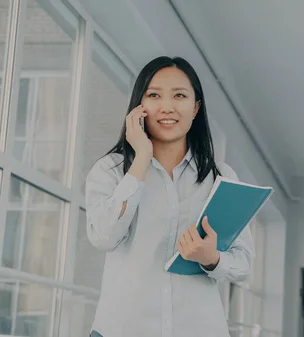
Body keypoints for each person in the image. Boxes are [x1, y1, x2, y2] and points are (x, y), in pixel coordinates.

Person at [85, 56, 254, 337]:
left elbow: (243, 263)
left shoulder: (220, 177)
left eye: (180, 95)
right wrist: (140, 162)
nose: (167, 107)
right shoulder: (111, 170)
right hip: (123, 329)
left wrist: (211, 257)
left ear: (196, 107)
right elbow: (103, 236)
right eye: (154, 95)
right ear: (139, 107)